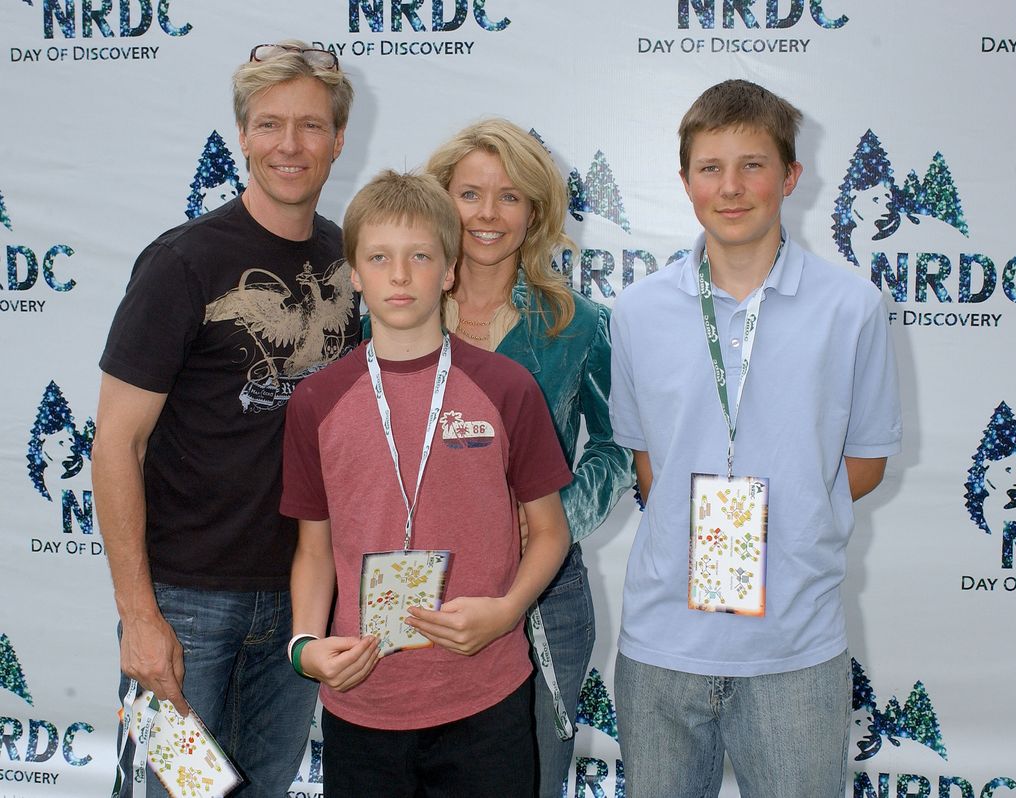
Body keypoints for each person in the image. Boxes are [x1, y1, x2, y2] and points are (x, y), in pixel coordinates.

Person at [609, 79, 902, 796]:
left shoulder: (852, 308)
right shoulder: (637, 311)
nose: (731, 187)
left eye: (753, 165)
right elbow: (647, 463)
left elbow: (866, 462)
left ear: (791, 176)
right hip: (661, 645)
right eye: (710, 168)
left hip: (795, 647)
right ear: (685, 181)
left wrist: (788, 518)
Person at [92, 41, 358, 797]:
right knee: (169, 791)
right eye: (270, 124)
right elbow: (115, 443)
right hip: (185, 605)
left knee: (263, 790)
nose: (289, 145)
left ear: (339, 139)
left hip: (299, 598)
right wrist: (140, 616)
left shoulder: (352, 262)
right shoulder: (183, 263)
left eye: (310, 125)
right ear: (242, 135)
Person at [281, 169, 572, 797]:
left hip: (486, 697)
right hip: (364, 699)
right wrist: (304, 643)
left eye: (419, 257)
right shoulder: (317, 402)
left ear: (449, 271)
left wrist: (507, 611)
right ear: (354, 275)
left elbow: (550, 532)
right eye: (379, 258)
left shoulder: (506, 388)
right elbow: (314, 548)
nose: (400, 276)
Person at [424, 118, 634, 796]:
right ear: (439, 202)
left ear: (536, 213)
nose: (488, 214)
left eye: (510, 196)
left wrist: (557, 518)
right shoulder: (390, 317)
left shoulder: (580, 324)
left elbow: (619, 446)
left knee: (531, 780)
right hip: (416, 590)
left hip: (543, 596)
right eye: (470, 194)